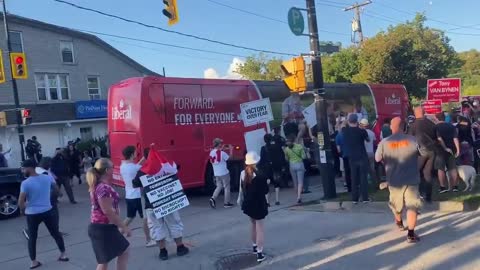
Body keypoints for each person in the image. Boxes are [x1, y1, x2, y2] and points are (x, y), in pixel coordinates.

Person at [132, 148, 189, 261]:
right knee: (174, 223)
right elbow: (177, 167)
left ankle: (163, 252)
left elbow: (135, 183)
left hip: (152, 204)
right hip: (169, 201)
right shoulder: (167, 166)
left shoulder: (142, 171)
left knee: (157, 227)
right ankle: (180, 247)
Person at [375, 117, 422, 243]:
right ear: (404, 127)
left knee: (396, 205)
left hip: (393, 179)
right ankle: (411, 234)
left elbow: (377, 159)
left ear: (392, 127)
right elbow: (421, 154)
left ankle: (399, 222)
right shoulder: (413, 140)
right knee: (412, 206)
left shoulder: (384, 142)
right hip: (411, 178)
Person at [18, 159, 69, 269]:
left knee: (32, 238)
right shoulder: (47, 177)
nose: (23, 171)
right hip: (48, 211)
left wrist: (23, 209)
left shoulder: (25, 183)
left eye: (24, 168)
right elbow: (57, 191)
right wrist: (50, 198)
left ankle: (34, 262)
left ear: (30, 168)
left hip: (32, 214)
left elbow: (20, 202)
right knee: (55, 233)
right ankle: (63, 255)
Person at [87, 158, 130, 270]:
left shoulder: (98, 185)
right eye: (112, 167)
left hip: (100, 227)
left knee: (105, 260)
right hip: (103, 228)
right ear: (107, 170)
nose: (113, 168)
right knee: (122, 252)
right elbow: (107, 211)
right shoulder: (103, 187)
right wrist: (123, 226)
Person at [120, 146, 155, 247]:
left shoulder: (123, 166)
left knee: (129, 217)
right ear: (131, 154)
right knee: (144, 218)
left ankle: (118, 235)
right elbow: (144, 168)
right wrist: (149, 157)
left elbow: (136, 166)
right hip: (138, 196)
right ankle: (148, 240)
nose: (137, 153)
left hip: (129, 195)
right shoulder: (135, 168)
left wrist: (143, 159)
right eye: (135, 152)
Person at [237, 151, 269, 263]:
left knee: (253, 224)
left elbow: (241, 189)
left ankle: (255, 246)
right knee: (260, 227)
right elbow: (265, 191)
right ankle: (260, 253)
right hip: (259, 203)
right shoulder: (261, 175)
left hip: (248, 203)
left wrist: (239, 200)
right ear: (257, 161)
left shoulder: (242, 173)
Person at [409, 107, 438, 202]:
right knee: (427, 173)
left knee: (415, 172)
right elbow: (436, 137)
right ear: (424, 112)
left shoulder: (414, 125)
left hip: (420, 152)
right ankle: (428, 197)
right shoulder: (431, 123)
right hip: (432, 151)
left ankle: (417, 194)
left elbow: (409, 139)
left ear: (415, 113)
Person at [343, 114, 370, 203]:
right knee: (363, 178)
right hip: (362, 156)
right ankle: (365, 198)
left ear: (349, 121)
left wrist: (343, 121)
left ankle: (355, 198)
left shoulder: (345, 131)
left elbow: (341, 126)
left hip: (352, 157)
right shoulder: (362, 131)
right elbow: (368, 140)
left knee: (354, 178)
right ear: (357, 121)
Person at [435, 112, 460, 193]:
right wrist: (458, 150)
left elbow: (439, 138)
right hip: (452, 150)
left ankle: (442, 187)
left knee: (440, 169)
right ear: (444, 118)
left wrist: (445, 147)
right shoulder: (451, 126)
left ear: (437, 118)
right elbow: (455, 138)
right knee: (453, 168)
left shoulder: (436, 127)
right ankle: (455, 187)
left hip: (440, 150)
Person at [259, 134, 285, 206]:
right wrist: (282, 166)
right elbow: (281, 156)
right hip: (275, 168)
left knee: (266, 185)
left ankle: (267, 202)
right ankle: (277, 200)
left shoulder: (263, 148)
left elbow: (262, 160)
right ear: (271, 139)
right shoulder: (276, 146)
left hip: (266, 169)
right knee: (276, 184)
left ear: (264, 140)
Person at [208, 138, 234, 208]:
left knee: (219, 186)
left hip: (216, 173)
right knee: (227, 187)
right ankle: (226, 203)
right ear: (219, 144)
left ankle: (213, 198)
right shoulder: (222, 153)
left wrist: (221, 149)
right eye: (221, 143)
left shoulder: (211, 152)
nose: (222, 144)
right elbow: (230, 158)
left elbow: (217, 154)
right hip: (224, 172)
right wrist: (231, 150)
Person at [284, 136, 306, 204]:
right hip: (299, 164)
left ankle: (297, 195)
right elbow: (304, 157)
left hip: (292, 165)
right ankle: (299, 197)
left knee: (295, 182)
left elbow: (286, 159)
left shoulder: (286, 149)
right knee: (300, 182)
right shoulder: (299, 147)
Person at [360, 119, 379, 185]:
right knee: (372, 168)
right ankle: (375, 182)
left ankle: (366, 183)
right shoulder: (372, 133)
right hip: (371, 152)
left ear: (361, 125)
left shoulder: (360, 133)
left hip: (364, 153)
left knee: (364, 169)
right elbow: (374, 143)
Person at [336, 119, 351, 191]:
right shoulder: (350, 133)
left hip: (344, 155)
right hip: (352, 155)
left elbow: (338, 149)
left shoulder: (338, 136)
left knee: (346, 171)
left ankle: (348, 186)